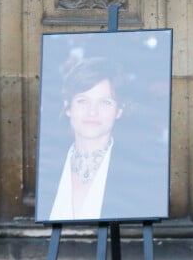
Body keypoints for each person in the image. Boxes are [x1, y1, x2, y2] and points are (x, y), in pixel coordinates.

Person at [36, 57, 168, 222]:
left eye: (105, 102)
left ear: (119, 110)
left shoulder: (139, 172)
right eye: (83, 101)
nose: (92, 112)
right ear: (68, 106)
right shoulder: (47, 167)